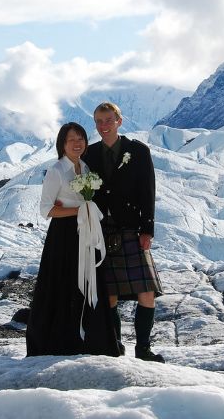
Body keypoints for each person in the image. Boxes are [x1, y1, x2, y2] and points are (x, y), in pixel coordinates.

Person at [26, 122, 121, 357]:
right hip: (63, 236)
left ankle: (91, 341)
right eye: (71, 139)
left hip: (85, 233)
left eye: (81, 138)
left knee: (89, 283)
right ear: (62, 144)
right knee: (63, 284)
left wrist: (85, 210)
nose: (77, 143)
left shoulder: (86, 168)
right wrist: (79, 210)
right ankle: (60, 341)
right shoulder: (56, 171)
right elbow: (46, 210)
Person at [83, 102, 165, 363]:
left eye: (108, 120)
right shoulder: (89, 154)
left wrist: (147, 229)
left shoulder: (138, 151)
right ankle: (115, 345)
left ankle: (143, 348)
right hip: (100, 229)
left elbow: (147, 190)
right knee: (109, 293)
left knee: (147, 290)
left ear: (119, 121)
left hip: (131, 227)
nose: (103, 126)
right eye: (99, 121)